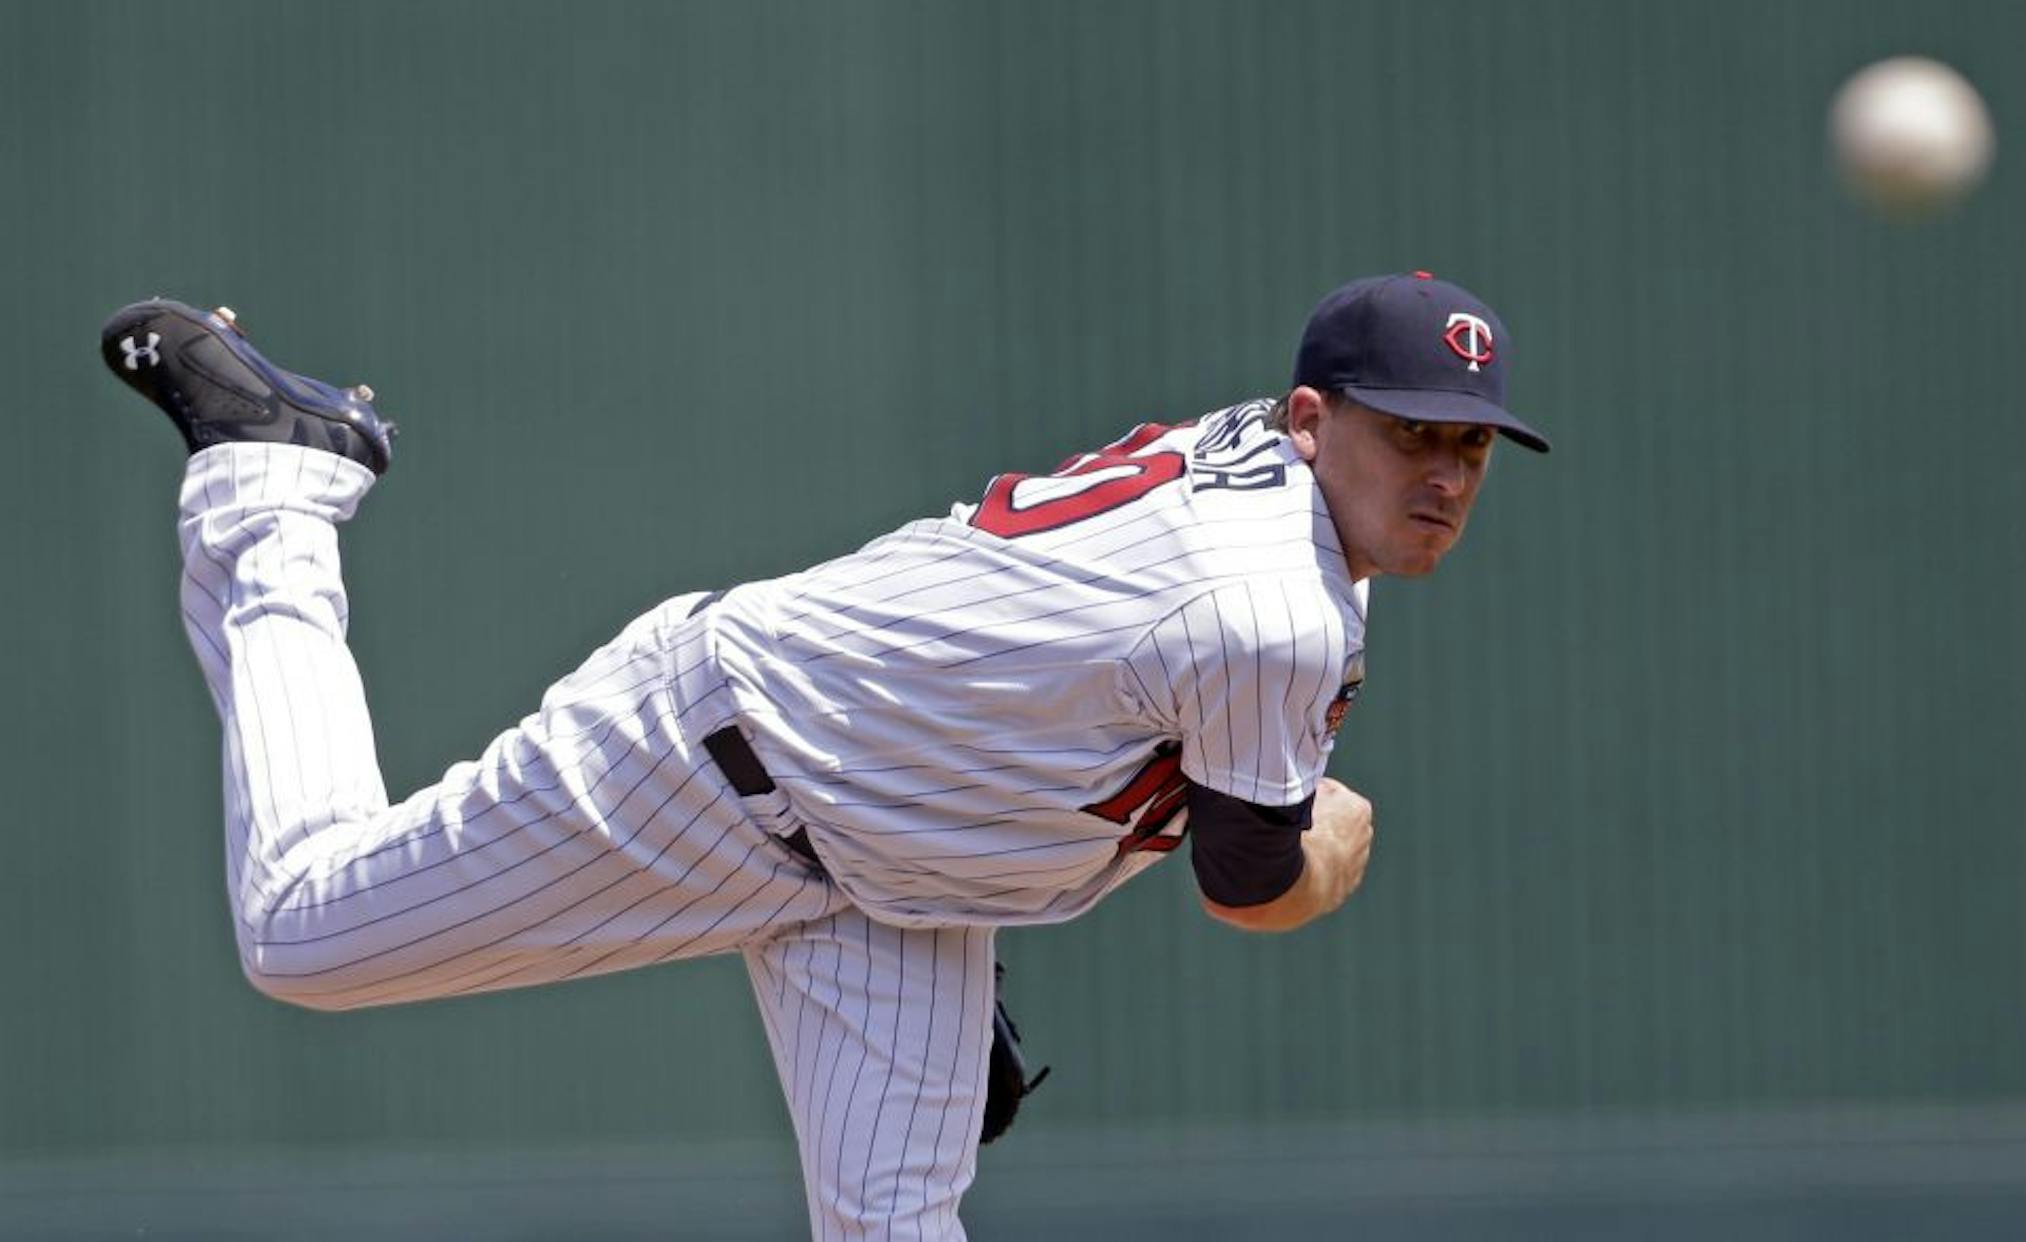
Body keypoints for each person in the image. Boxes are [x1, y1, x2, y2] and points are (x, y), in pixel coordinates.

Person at [99, 271, 1549, 1239]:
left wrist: (1003, 837)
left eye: (1470, 448)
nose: (1442, 475)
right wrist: (1338, 839)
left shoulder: (1283, 493)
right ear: (1310, 421)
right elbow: (1252, 884)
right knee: (301, 927)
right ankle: (271, 487)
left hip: (893, 869)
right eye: (1410, 431)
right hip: (709, 761)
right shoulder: (1275, 606)